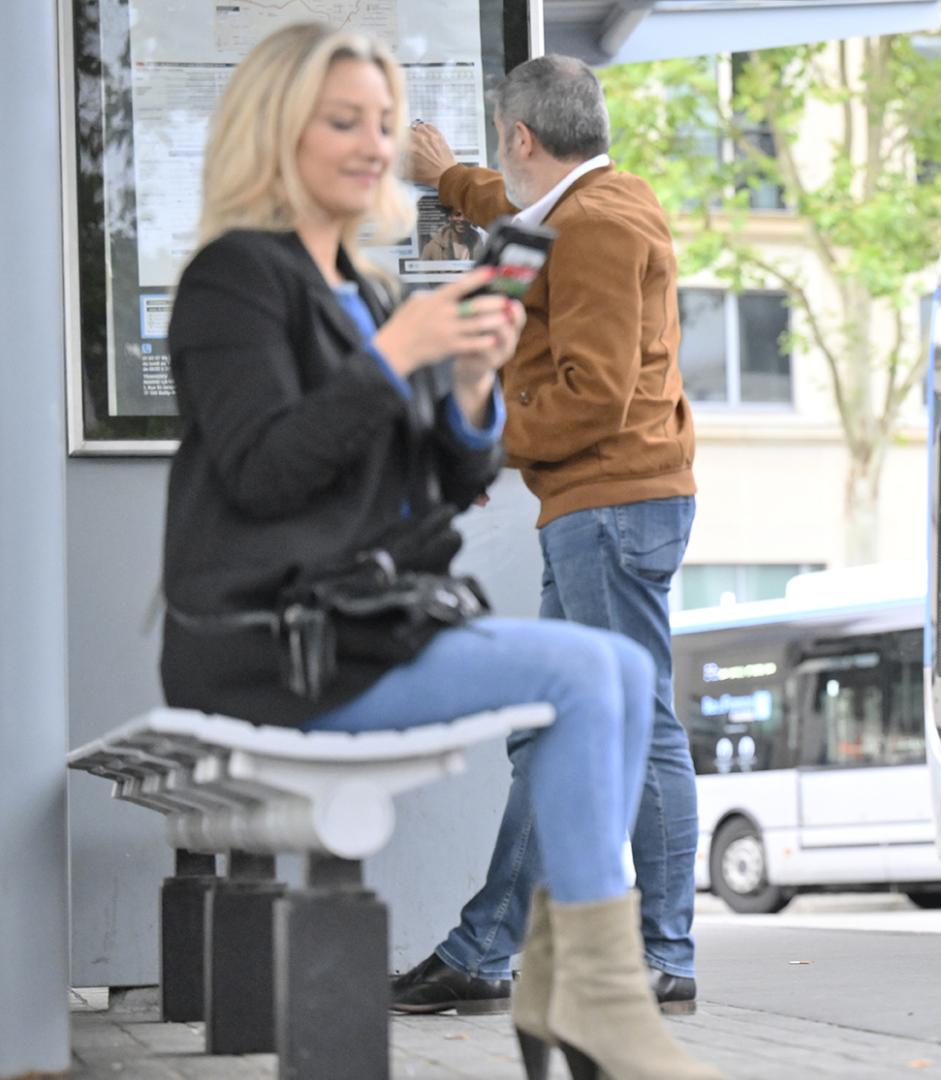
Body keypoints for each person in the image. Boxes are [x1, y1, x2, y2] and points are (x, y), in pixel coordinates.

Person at [157, 24, 717, 1080]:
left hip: (357, 624)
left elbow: (434, 486)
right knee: (595, 675)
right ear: (275, 133)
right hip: (263, 643)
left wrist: (463, 402)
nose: (375, 145)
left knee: (602, 677)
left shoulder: (363, 291)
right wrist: (401, 357)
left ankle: (576, 975)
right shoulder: (235, 281)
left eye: (382, 121)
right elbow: (268, 470)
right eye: (344, 122)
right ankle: (573, 977)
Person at [394, 55, 704, 1016]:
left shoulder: (599, 229)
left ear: (523, 137)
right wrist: (446, 177)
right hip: (591, 509)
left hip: (612, 508)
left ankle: (663, 956)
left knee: (636, 721)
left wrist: (483, 449)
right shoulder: (578, 205)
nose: (497, 160)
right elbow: (514, 211)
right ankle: (485, 952)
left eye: (499, 145)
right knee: (551, 730)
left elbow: (595, 393)